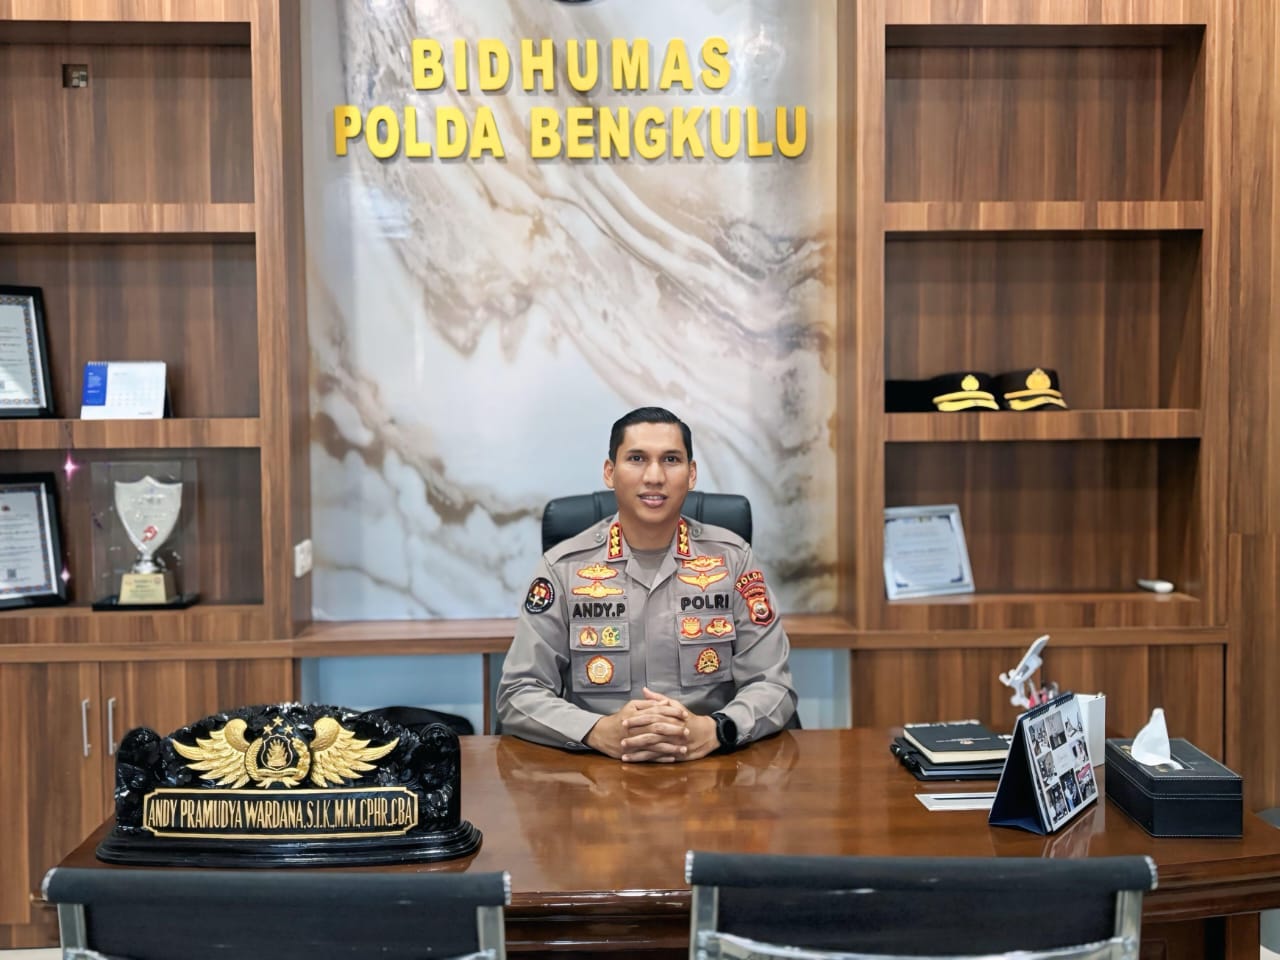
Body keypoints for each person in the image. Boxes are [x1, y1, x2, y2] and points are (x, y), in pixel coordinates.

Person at [497, 406, 797, 762]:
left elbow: (772, 685)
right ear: (610, 472)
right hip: (595, 771)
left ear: (691, 474)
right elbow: (519, 692)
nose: (654, 476)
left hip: (713, 766)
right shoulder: (563, 568)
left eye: (671, 459)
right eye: (637, 458)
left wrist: (716, 729)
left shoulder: (733, 560)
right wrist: (596, 730)